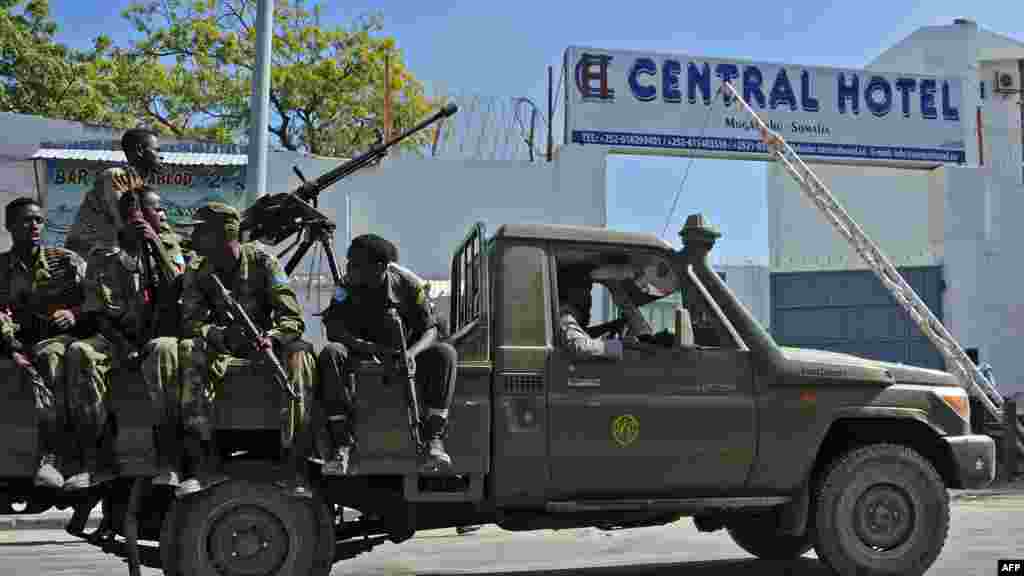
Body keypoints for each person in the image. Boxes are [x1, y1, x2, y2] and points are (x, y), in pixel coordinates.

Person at [179, 202, 317, 498]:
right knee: (190, 351)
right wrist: (218, 334)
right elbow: (191, 322)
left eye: (202, 232)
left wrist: (274, 338)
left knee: (301, 357)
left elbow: (292, 317)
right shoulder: (198, 269)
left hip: (263, 346)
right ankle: (202, 464)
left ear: (224, 234)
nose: (196, 238)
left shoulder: (264, 263)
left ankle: (296, 465)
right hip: (223, 348)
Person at [64, 187, 186, 490]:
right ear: (131, 216)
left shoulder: (173, 247)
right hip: (119, 337)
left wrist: (155, 244)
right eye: (155, 210)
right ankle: (98, 460)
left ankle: (168, 459)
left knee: (162, 351)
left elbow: (180, 290)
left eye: (161, 209)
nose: (163, 215)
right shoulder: (103, 256)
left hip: (161, 336)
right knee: (81, 352)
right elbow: (95, 313)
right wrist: (122, 345)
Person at [317, 234, 457, 475]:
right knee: (331, 353)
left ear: (380, 267)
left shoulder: (409, 284)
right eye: (349, 262)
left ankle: (434, 439)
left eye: (356, 264)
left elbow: (431, 329)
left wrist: (412, 353)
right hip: (361, 351)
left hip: (404, 352)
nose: (349, 268)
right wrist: (366, 347)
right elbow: (333, 329)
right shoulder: (344, 286)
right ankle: (342, 444)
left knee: (445, 353)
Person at [0, 197, 87, 489]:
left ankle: (54, 455)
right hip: (13, 346)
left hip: (56, 341)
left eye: (38, 219)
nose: (35, 225)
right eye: (26, 220)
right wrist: (12, 349)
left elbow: (97, 302)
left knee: (52, 357)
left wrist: (73, 314)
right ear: (9, 226)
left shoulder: (66, 261)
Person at [65, 128, 162, 257]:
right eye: (156, 150)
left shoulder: (141, 186)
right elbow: (128, 225)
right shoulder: (115, 176)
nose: (161, 156)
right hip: (87, 253)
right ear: (139, 150)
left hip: (109, 251)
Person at [557, 266, 626, 360]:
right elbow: (580, 346)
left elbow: (584, 333)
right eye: (585, 291)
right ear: (571, 292)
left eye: (589, 290)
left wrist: (614, 325)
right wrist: (618, 347)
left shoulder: (569, 316)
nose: (590, 298)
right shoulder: (564, 315)